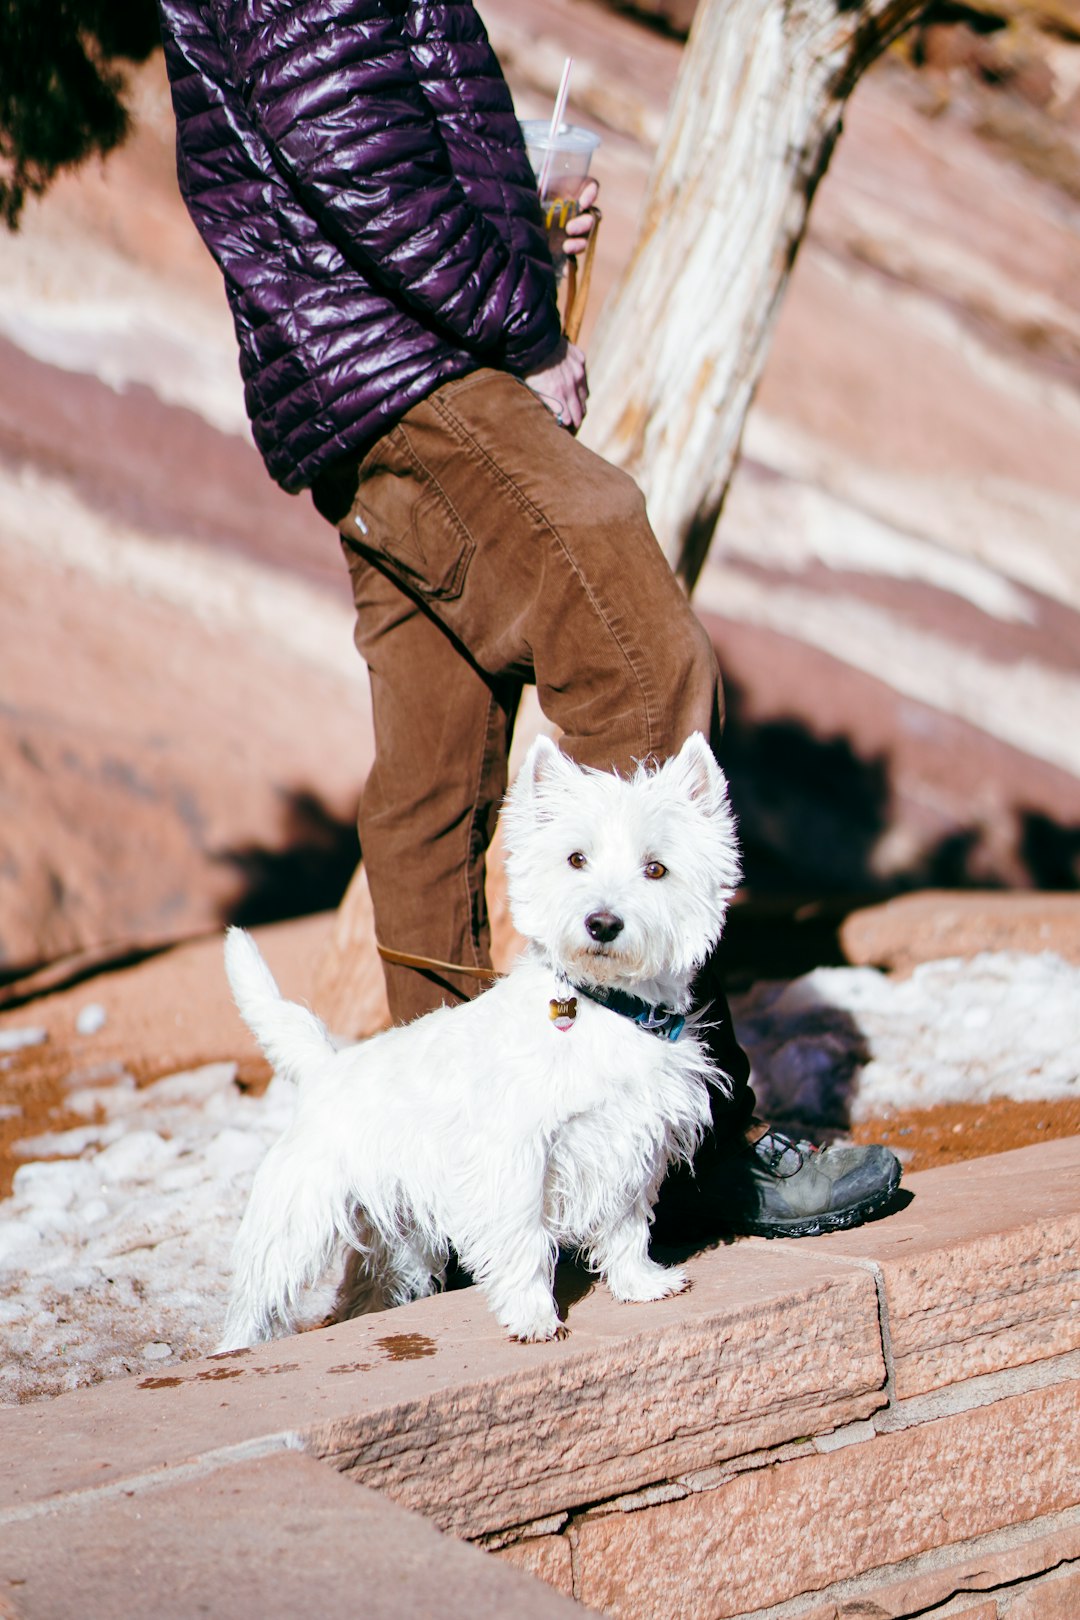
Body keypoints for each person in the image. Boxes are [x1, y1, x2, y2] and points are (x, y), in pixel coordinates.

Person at [156, 0, 900, 1238]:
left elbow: (367, 127)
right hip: (419, 366)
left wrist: (520, 227)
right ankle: (684, 1153)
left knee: (432, 789)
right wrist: (521, 317)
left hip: (359, 377)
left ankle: (463, 1183)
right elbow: (352, 150)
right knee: (639, 657)